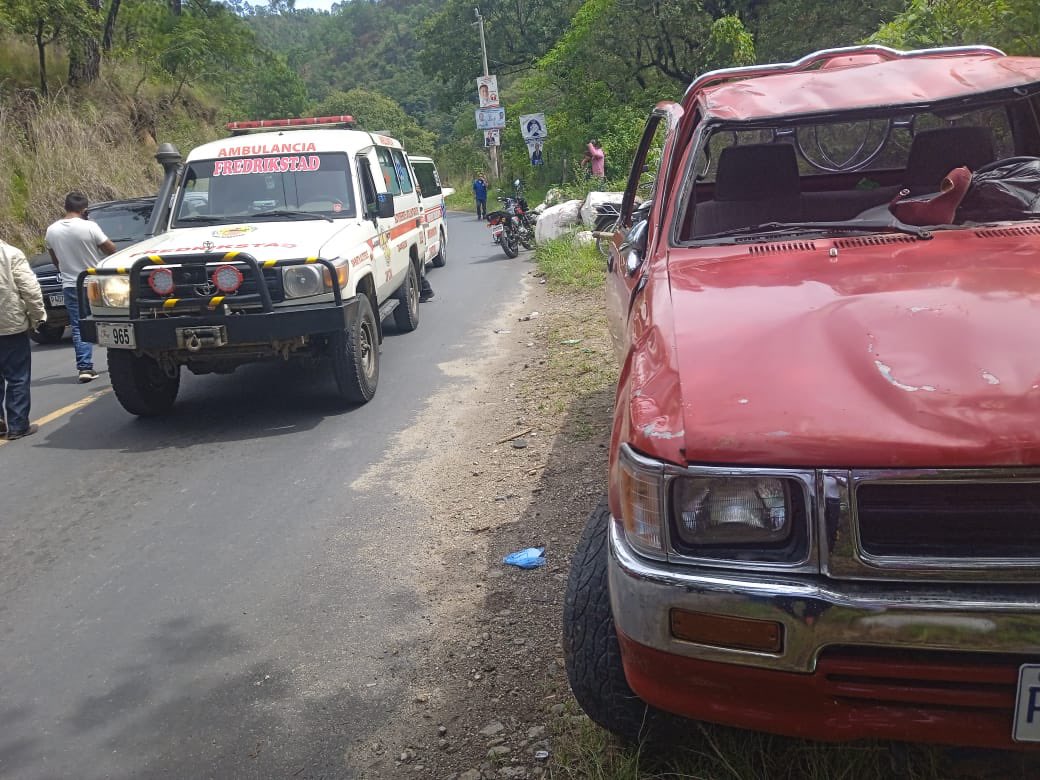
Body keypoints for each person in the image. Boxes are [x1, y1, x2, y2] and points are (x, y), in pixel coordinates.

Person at [45, 192, 116, 383]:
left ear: (65, 207)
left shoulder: (51, 230)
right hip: (94, 283)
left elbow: (55, 261)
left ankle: (85, 367)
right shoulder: (90, 227)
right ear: (85, 210)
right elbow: (111, 249)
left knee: (77, 325)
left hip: (70, 285)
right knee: (111, 320)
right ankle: (120, 360)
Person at [0, 238, 46, 440]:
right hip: (10, 325)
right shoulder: (10, 254)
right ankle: (18, 426)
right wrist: (39, 316)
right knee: (17, 376)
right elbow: (30, 289)